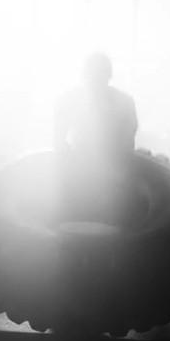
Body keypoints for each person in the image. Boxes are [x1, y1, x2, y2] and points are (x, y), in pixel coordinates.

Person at [52, 53, 144, 226]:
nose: (95, 82)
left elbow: (127, 142)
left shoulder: (124, 102)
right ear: (84, 76)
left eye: (100, 76)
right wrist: (72, 164)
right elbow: (58, 141)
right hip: (81, 169)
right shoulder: (69, 100)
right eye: (92, 76)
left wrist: (117, 172)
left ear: (108, 76)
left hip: (113, 175)